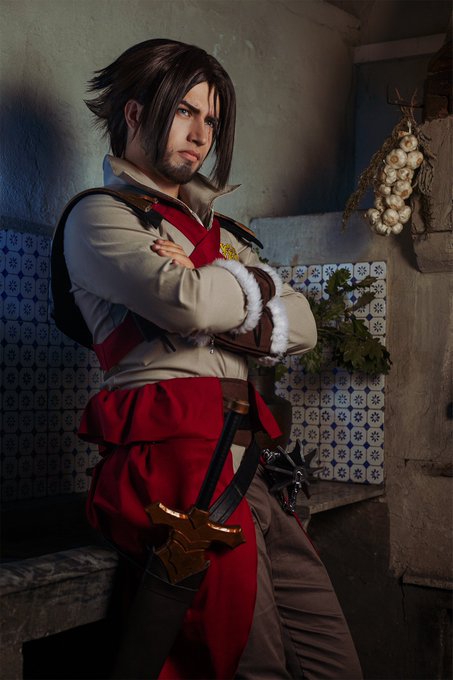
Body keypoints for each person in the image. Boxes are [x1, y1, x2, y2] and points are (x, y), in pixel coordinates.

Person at [52, 39, 362, 679]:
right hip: (176, 465)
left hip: (253, 468)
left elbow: (305, 325)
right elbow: (189, 304)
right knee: (252, 665)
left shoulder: (224, 236)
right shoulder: (100, 217)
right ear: (135, 114)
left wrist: (228, 280)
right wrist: (250, 288)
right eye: (184, 112)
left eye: (212, 121)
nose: (201, 136)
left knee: (333, 664)